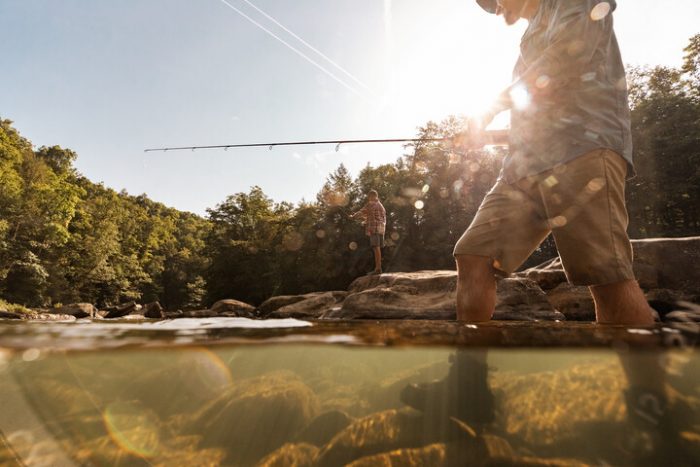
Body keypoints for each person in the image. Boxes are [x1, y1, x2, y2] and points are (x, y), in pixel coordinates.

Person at [403, 0, 678, 451]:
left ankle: (651, 407)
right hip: (524, 166)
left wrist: (489, 108)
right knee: (473, 255)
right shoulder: (527, 37)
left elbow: (561, 63)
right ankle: (471, 392)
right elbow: (537, 102)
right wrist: (487, 134)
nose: (495, 10)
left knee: (605, 276)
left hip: (585, 149)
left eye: (495, 1)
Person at [351, 190, 387, 275]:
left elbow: (362, 212)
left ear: (372, 196)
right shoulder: (381, 206)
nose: (369, 199)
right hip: (381, 229)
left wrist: (353, 216)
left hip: (374, 228)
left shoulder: (371, 204)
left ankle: (378, 269)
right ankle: (378, 268)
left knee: (376, 247)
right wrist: (364, 219)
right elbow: (373, 215)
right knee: (377, 248)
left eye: (370, 197)